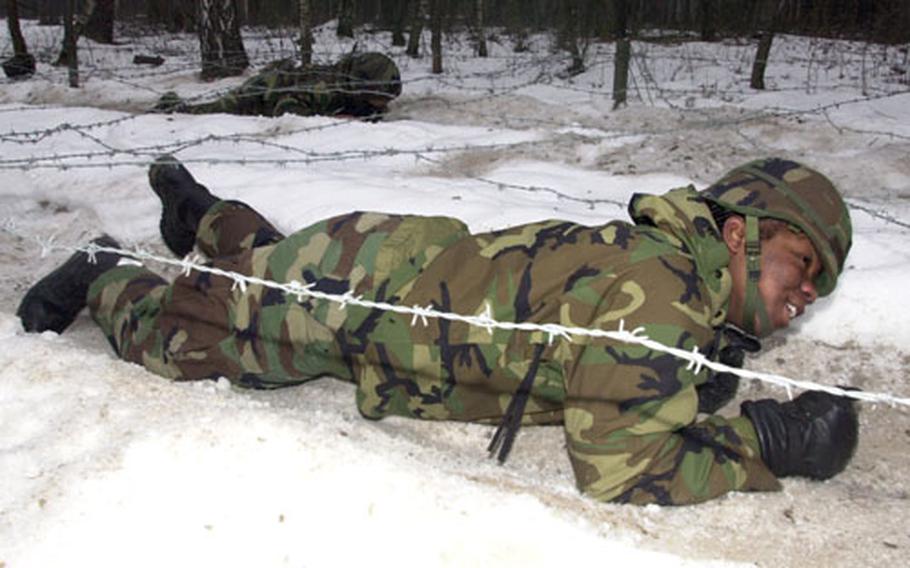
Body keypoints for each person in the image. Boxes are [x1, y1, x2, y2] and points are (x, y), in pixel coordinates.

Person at [17, 156, 859, 506]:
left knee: (274, 259)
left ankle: (207, 219)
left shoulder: (669, 271)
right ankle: (105, 273)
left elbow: (607, 361)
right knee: (181, 344)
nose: (806, 294)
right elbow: (619, 470)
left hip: (385, 257)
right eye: (800, 264)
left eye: (819, 287)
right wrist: (765, 444)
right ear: (741, 233)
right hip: (341, 305)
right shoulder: (666, 292)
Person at [154, 52, 402, 119]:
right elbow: (286, 107)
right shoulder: (326, 91)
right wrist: (332, 121)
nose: (383, 104)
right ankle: (172, 107)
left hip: (283, 82)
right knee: (216, 109)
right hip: (266, 90)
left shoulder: (353, 91)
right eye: (381, 98)